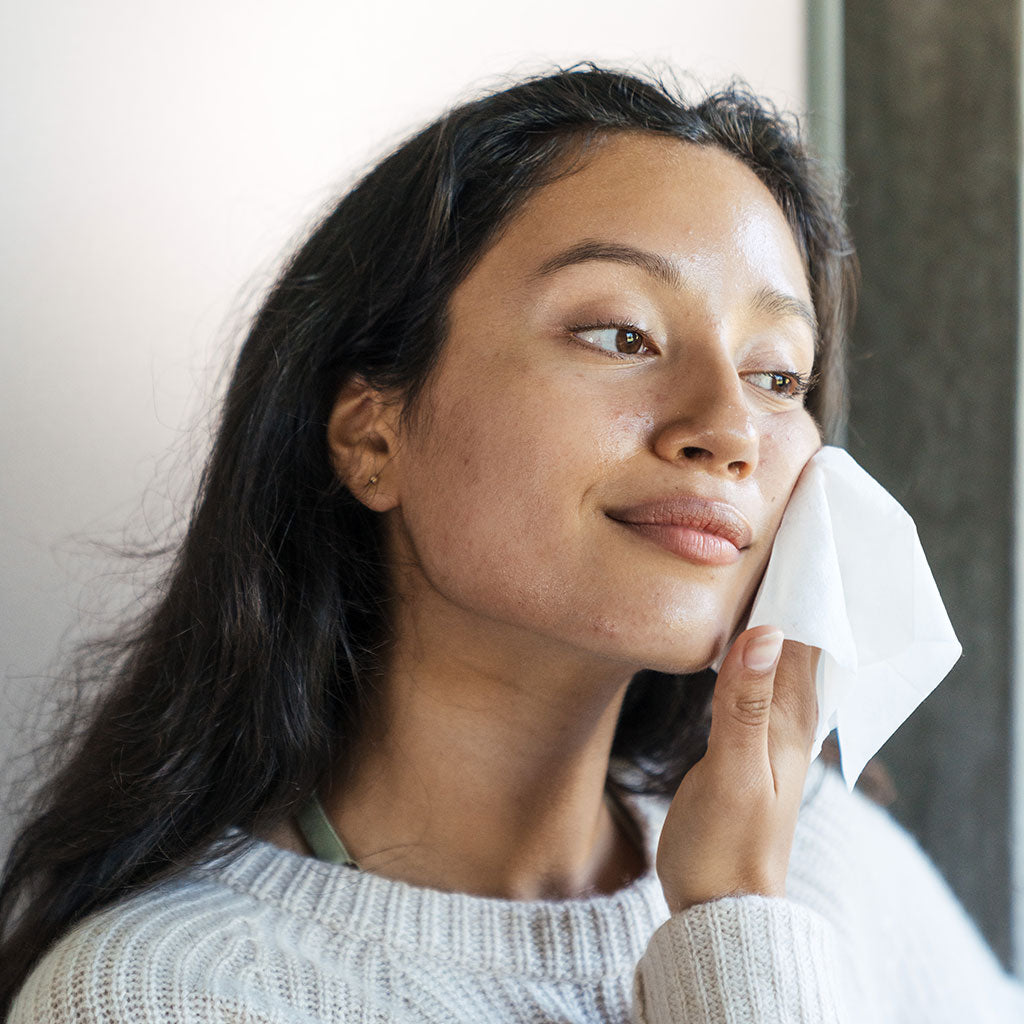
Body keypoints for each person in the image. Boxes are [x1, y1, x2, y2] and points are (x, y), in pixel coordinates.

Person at [0, 64, 1021, 1023]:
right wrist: (732, 934)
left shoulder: (827, 863)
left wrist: (740, 905)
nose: (727, 425)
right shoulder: (168, 994)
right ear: (372, 434)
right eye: (621, 334)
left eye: (776, 375)